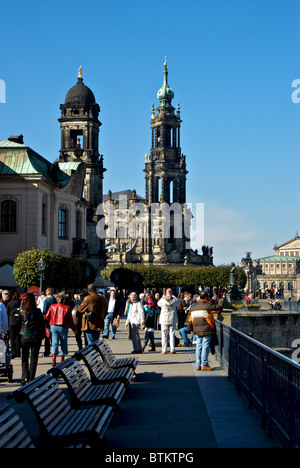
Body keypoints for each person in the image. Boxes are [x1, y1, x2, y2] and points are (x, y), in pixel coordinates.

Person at [187, 291, 224, 371]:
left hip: (196, 329)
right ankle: (204, 364)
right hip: (207, 329)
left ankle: (198, 364)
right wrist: (221, 302)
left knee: (199, 346)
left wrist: (190, 329)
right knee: (205, 346)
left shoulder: (193, 307)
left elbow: (189, 320)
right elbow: (218, 308)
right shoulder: (208, 306)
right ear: (206, 297)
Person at [46, 292, 77, 367]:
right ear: (63, 300)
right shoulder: (67, 308)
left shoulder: (52, 306)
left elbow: (47, 316)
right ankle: (62, 359)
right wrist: (74, 329)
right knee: (63, 342)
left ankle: (53, 359)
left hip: (53, 325)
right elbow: (71, 320)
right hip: (63, 326)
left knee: (54, 342)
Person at [20, 293, 45, 385]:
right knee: (34, 358)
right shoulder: (37, 311)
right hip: (35, 336)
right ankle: (31, 377)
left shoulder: (22, 311)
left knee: (24, 357)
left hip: (24, 335)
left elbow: (20, 324)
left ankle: (24, 376)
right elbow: (42, 324)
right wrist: (42, 335)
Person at [158, 288, 179, 354]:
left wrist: (163, 297)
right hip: (172, 318)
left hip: (164, 318)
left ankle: (164, 349)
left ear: (166, 293)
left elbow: (158, 303)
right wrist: (173, 296)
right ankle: (172, 349)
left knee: (164, 335)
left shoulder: (163, 300)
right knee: (172, 334)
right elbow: (178, 302)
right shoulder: (174, 300)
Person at [6, 291, 22, 358]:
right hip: (18, 322)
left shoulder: (10, 303)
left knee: (12, 338)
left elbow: (7, 313)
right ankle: (18, 352)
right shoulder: (20, 303)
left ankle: (13, 352)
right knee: (18, 337)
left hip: (11, 322)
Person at [43, 288, 57, 357]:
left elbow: (45, 311)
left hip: (48, 320)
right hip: (55, 319)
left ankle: (47, 351)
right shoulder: (55, 300)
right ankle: (54, 351)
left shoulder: (46, 300)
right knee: (54, 337)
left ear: (46, 293)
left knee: (47, 336)